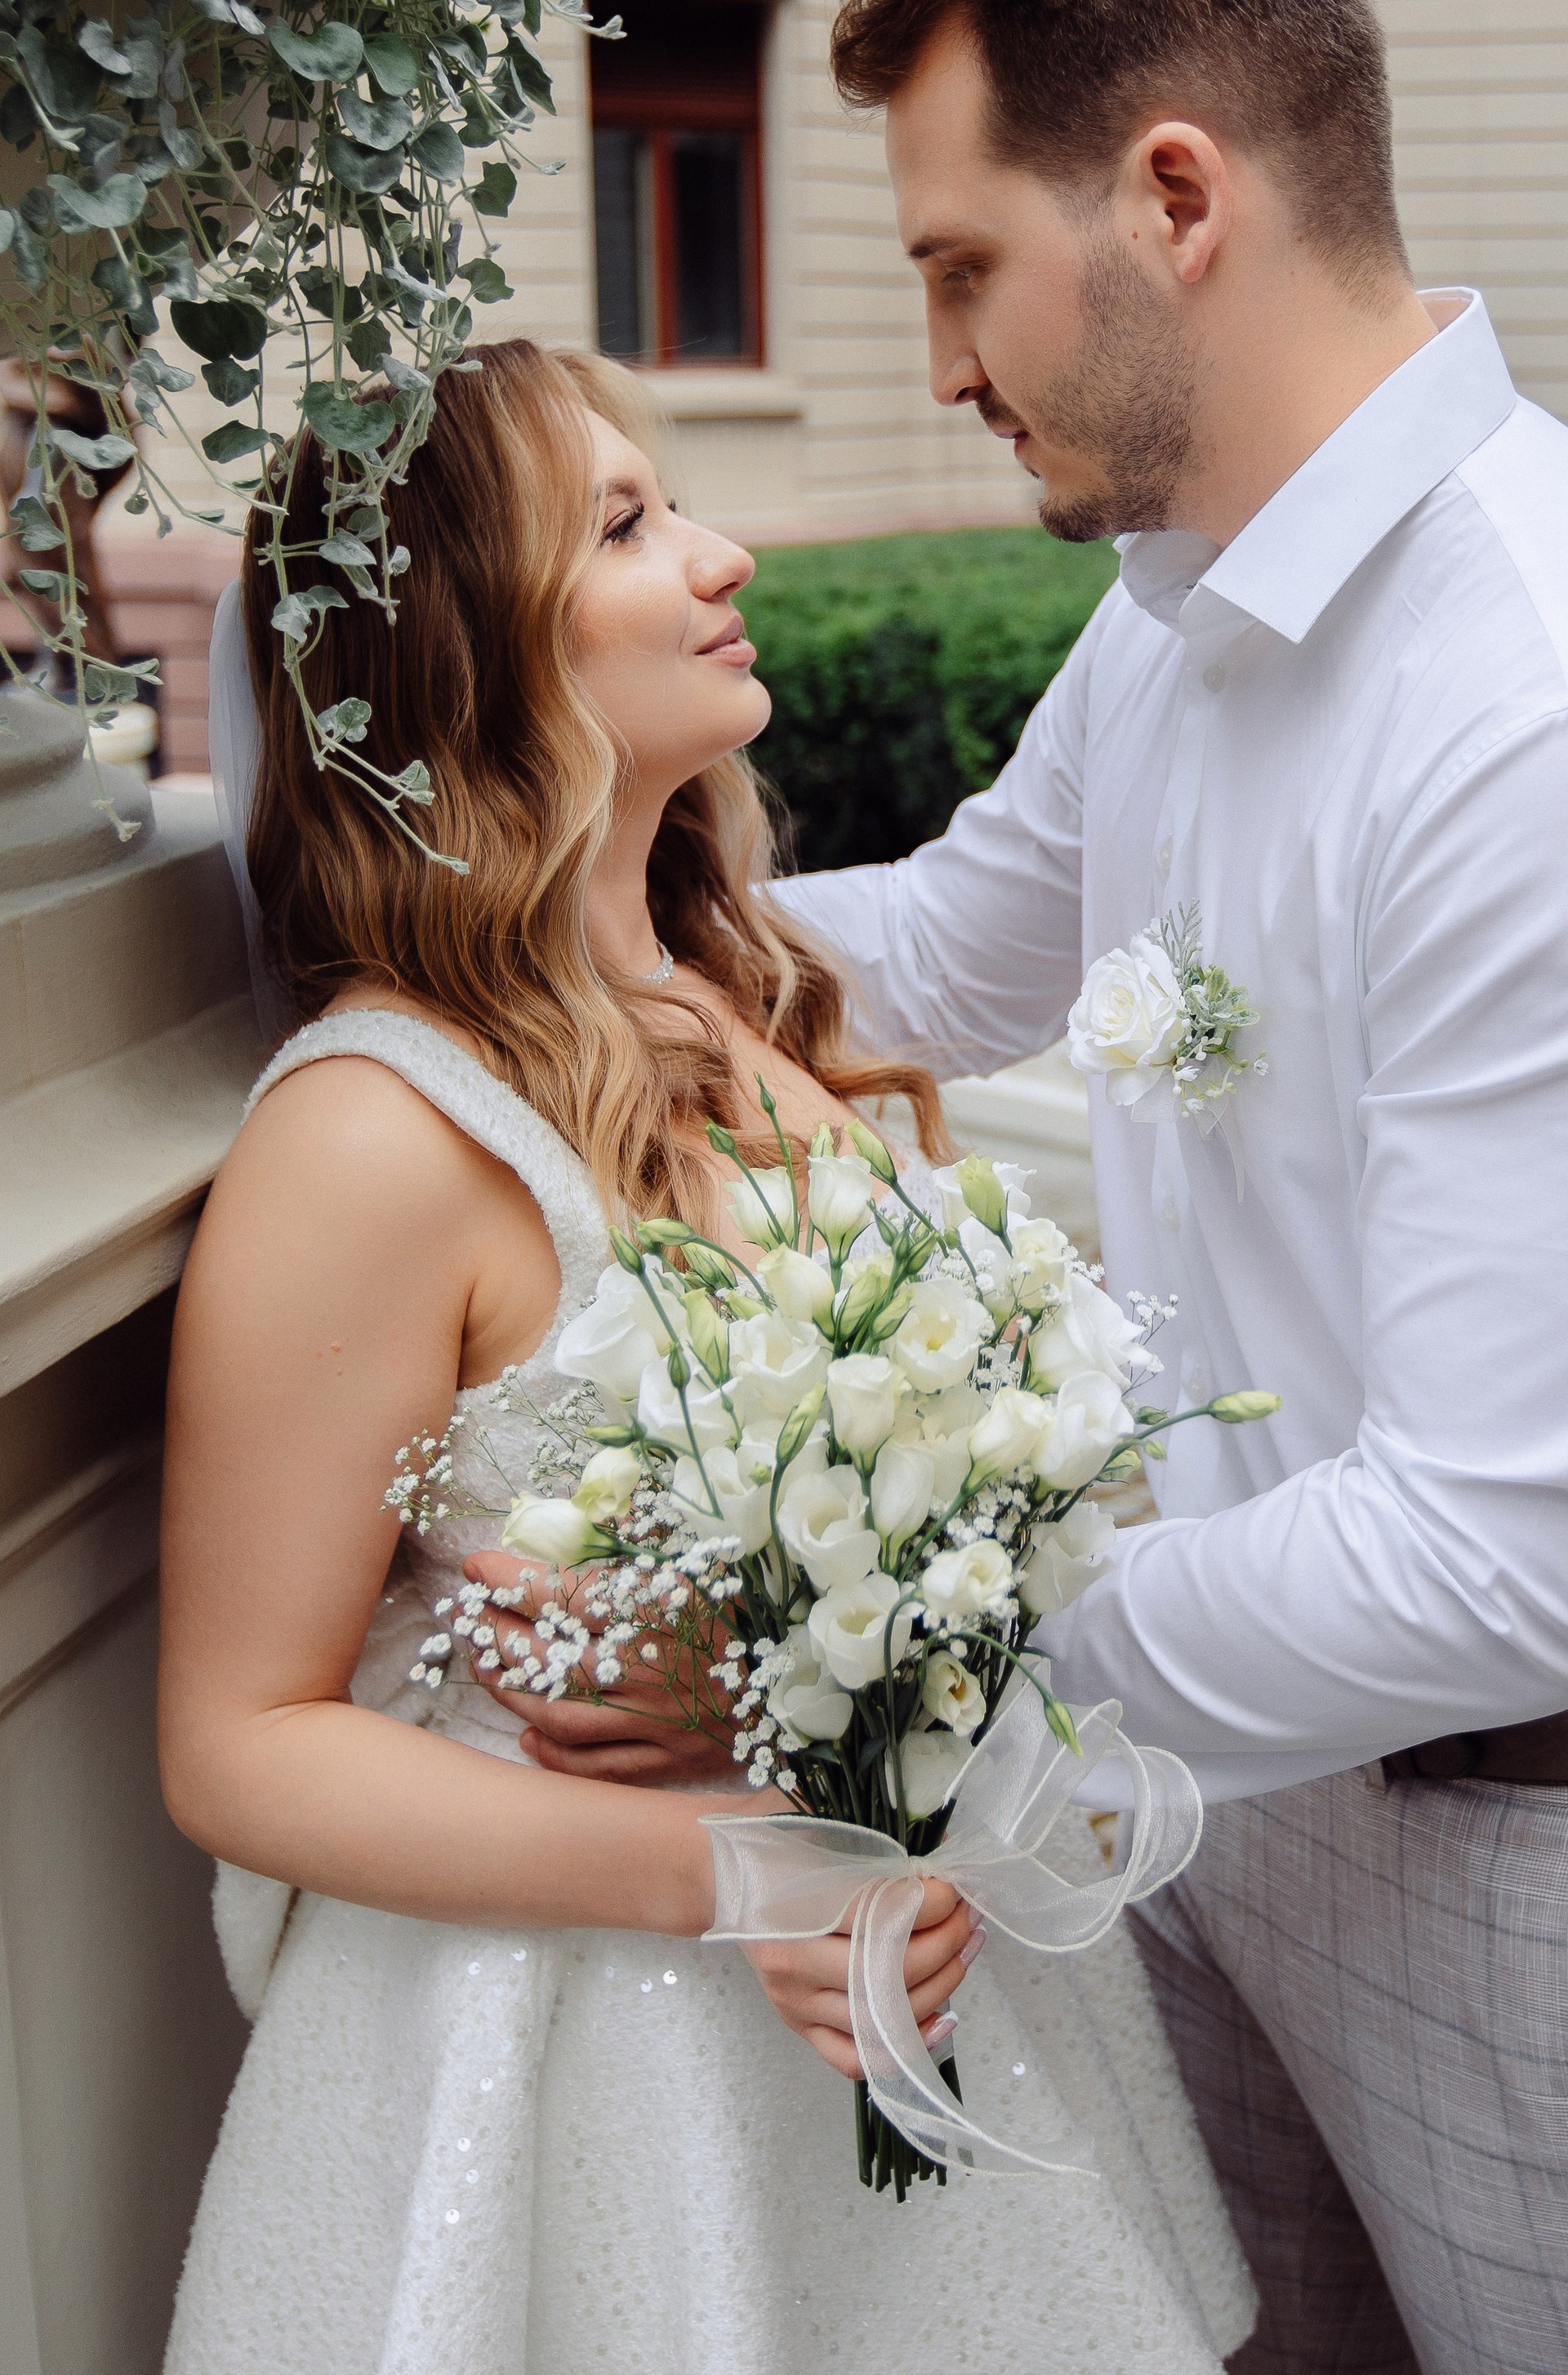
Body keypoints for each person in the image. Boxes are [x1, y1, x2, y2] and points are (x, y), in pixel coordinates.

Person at [521, 0, 1568, 2375]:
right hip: (1223, 1802)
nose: (944, 355)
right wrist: (493, 935)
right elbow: (955, 943)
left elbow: (1513, 1557)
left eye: (961, 264)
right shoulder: (1183, 601)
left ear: (1175, 196)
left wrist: (868, 1667)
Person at [163, 336, 1252, 2375]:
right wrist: (748, 1868)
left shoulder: (735, 993)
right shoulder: (373, 1136)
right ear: (463, 649)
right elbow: (234, 1736)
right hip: (590, 2071)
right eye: (633, 522)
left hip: (928, 1976)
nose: (723, 550)